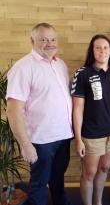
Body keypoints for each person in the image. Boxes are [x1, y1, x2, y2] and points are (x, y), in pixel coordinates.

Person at [6, 23, 73, 205]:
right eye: (43, 39)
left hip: (63, 137)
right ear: (32, 41)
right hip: (41, 141)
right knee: (39, 184)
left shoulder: (61, 65)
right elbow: (12, 110)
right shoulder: (23, 67)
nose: (49, 43)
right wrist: (25, 145)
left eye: (52, 39)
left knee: (58, 179)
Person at [71, 34, 110, 205]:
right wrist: (78, 139)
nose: (102, 51)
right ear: (92, 51)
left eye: (106, 47)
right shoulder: (83, 73)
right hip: (92, 134)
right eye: (98, 47)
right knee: (89, 173)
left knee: (104, 168)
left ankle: (98, 202)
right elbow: (77, 108)